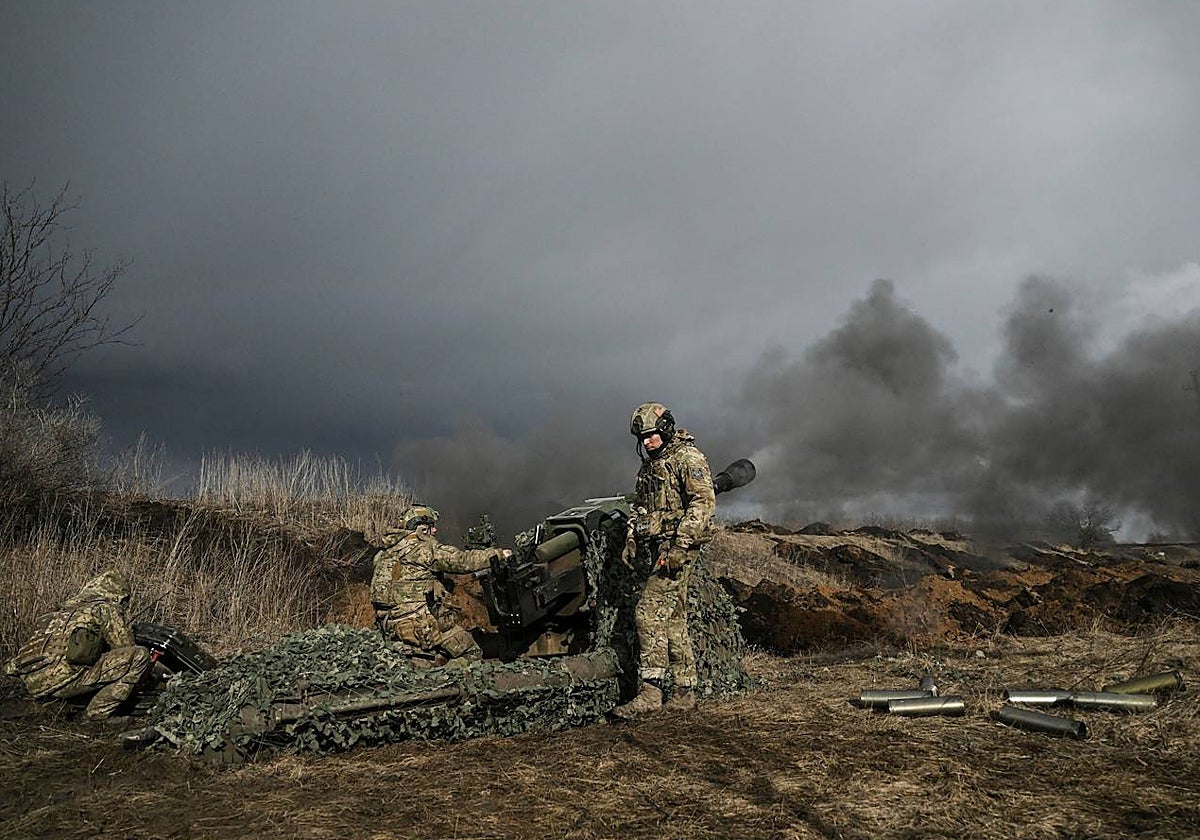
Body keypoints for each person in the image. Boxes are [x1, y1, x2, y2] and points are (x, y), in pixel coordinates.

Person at [614, 402, 716, 718]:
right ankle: (685, 691)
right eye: (642, 438)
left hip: (678, 548)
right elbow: (640, 507)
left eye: (651, 435)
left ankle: (651, 693)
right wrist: (631, 537)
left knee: (647, 612)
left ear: (666, 429)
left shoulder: (688, 458)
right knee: (673, 619)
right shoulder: (650, 467)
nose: (646, 442)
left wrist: (680, 548)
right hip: (660, 547)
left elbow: (702, 505)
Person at [371, 503, 511, 665]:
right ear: (421, 529)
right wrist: (499, 554)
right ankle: (446, 682)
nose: (435, 531)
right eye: (431, 527)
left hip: (390, 626)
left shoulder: (384, 554)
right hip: (418, 625)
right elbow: (461, 561)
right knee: (471, 652)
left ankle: (434, 663)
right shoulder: (422, 549)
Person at [4, 570, 151, 722]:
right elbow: (125, 647)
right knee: (139, 655)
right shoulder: (104, 608)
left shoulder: (56, 613)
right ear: (118, 595)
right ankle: (96, 716)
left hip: (31, 682)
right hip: (62, 681)